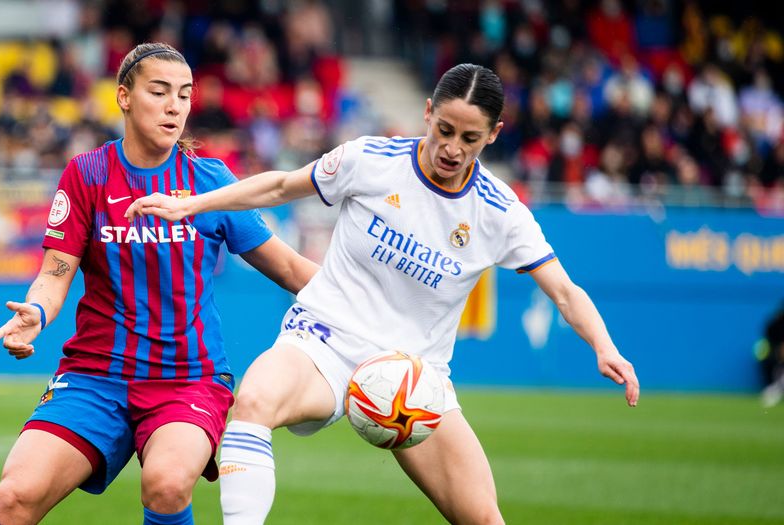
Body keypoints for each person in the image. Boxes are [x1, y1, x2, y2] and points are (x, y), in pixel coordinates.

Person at [126, 63, 640, 525]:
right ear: (427, 112)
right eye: (444, 129)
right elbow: (281, 186)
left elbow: (564, 291)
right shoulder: (370, 159)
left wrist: (605, 346)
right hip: (323, 341)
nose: (452, 148)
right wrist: (193, 204)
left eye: (470, 138)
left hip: (412, 379)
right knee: (255, 400)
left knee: (483, 517)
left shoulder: (500, 212)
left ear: (494, 134)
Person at [0, 42, 318, 525]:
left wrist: (376, 311)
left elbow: (289, 268)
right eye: (159, 92)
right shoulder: (87, 174)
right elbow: (54, 274)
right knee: (14, 497)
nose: (174, 106)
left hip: (188, 379)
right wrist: (35, 312)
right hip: (95, 375)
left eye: (184, 94)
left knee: (166, 483)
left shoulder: (210, 182)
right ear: (124, 96)